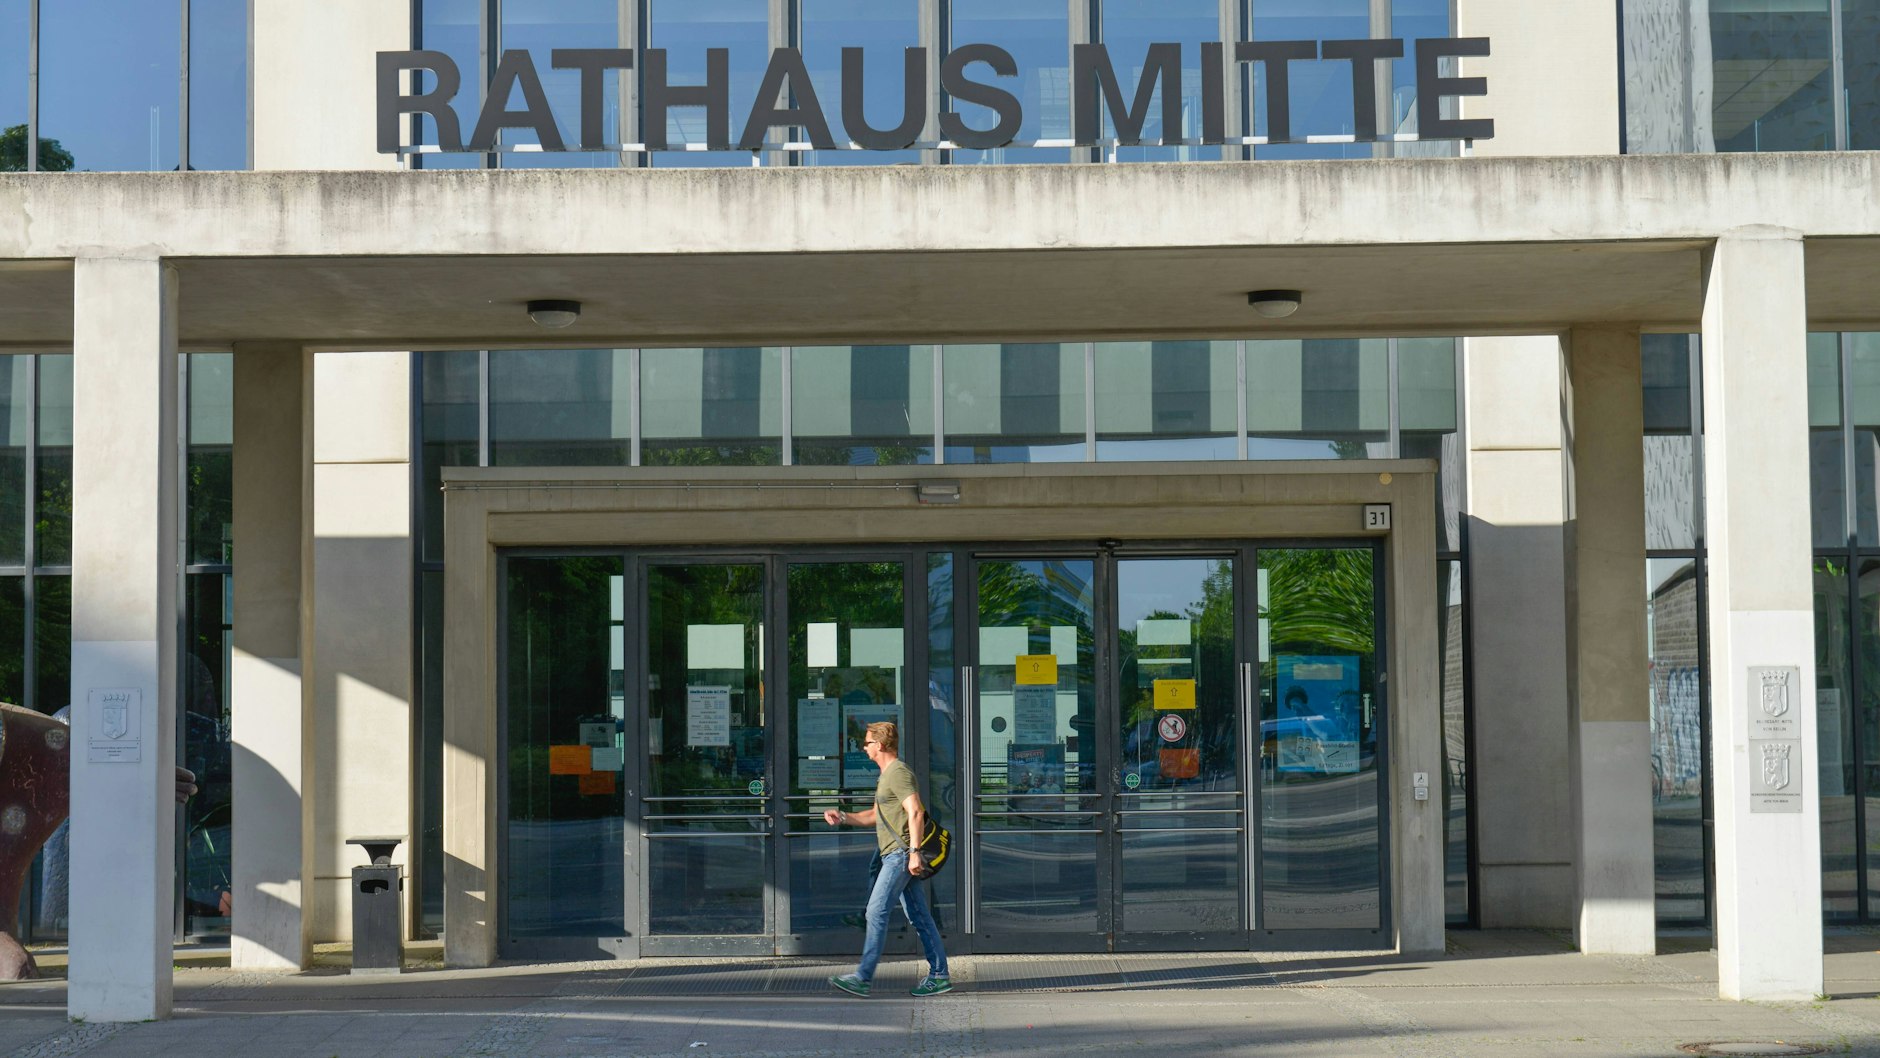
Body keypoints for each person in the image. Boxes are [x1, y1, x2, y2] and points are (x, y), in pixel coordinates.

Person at [823, 721, 950, 998]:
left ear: (879, 745)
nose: (864, 747)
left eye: (867, 743)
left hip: (900, 855)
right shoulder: (887, 775)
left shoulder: (898, 773)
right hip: (896, 854)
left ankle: (862, 977)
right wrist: (843, 816)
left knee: (875, 911)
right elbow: (874, 816)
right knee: (919, 916)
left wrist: (915, 853)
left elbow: (915, 811)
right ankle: (939, 975)